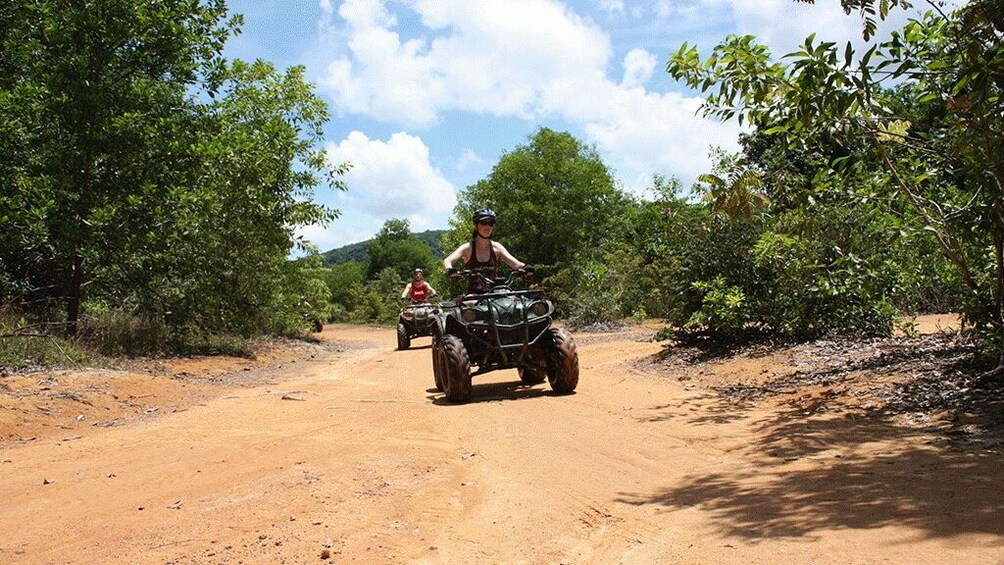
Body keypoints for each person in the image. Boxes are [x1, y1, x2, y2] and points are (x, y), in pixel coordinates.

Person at [442, 208, 533, 294]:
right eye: (483, 222)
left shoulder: (497, 247)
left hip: (495, 292)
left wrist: (526, 267)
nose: (487, 226)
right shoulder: (467, 248)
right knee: (469, 306)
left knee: (516, 304)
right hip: (475, 295)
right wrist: (450, 270)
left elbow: (516, 264)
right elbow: (448, 260)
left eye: (491, 223)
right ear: (476, 225)